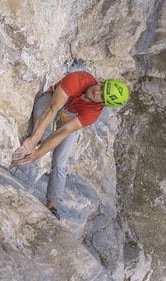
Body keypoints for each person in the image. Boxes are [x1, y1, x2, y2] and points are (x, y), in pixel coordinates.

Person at [12, 71, 129, 220]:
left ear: (103, 103)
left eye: (101, 96)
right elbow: (52, 108)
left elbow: (65, 130)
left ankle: (51, 206)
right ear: (102, 81)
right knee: (42, 116)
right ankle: (35, 138)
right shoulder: (79, 79)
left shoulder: (92, 113)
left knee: (61, 162)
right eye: (102, 86)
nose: (96, 91)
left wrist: (38, 153)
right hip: (52, 100)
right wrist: (34, 141)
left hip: (69, 118)